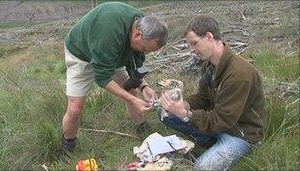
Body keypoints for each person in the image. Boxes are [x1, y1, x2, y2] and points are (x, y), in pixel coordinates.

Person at [158, 15, 267, 170]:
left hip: (240, 133)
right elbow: (203, 98)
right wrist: (182, 104)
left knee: (201, 168)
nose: (192, 50)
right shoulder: (209, 64)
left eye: (194, 43)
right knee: (164, 112)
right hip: (219, 124)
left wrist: (185, 114)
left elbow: (222, 119)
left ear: (209, 37)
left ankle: (219, 145)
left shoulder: (239, 74)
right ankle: (210, 141)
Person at [62, 2, 168, 152]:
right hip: (81, 53)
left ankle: (143, 130)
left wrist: (144, 86)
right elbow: (102, 77)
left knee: (131, 90)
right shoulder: (109, 30)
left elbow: (135, 64)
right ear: (137, 34)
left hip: (113, 51)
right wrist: (133, 100)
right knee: (75, 108)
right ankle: (68, 145)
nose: (145, 52)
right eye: (145, 49)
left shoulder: (146, 26)